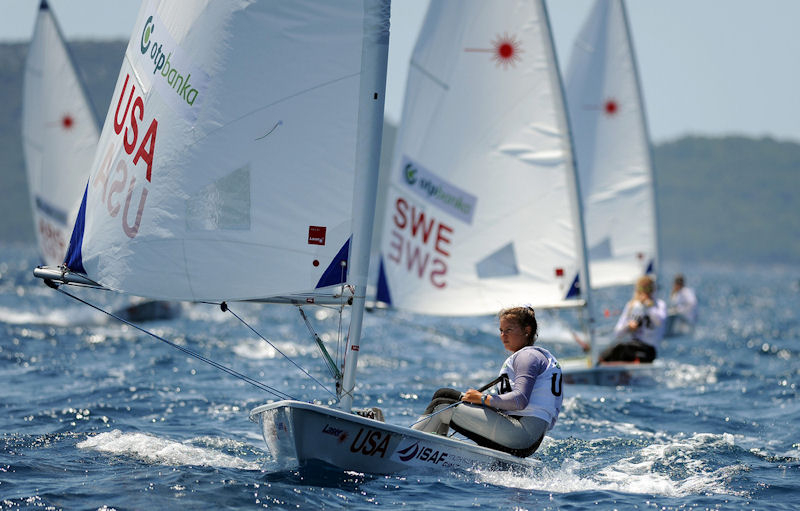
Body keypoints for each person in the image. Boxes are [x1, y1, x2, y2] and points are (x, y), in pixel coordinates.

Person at [411, 306, 562, 457]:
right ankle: (431, 450)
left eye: (509, 330)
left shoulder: (527, 357)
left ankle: (408, 445)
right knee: (444, 393)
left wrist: (483, 399)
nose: (503, 336)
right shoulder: (538, 356)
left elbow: (519, 400)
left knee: (442, 405)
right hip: (527, 437)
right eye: (501, 331)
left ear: (527, 330)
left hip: (521, 435)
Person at [598, 275, 667, 364]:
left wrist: (648, 306)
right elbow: (617, 332)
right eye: (643, 289)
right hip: (632, 347)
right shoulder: (631, 306)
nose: (646, 293)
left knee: (620, 349)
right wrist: (628, 327)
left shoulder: (659, 305)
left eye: (649, 289)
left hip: (649, 350)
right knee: (614, 350)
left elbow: (660, 322)